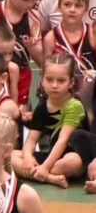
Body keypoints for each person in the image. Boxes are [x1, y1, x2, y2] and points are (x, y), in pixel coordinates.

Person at [11, 53, 93, 188]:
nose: (54, 85)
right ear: (42, 80)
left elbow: (63, 140)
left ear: (71, 82)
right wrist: (27, 157)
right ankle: (50, 178)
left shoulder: (74, 105)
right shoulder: (42, 106)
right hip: (52, 156)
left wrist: (45, 167)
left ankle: (42, 174)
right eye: (49, 80)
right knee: (10, 156)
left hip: (74, 156)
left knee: (72, 162)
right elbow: (31, 139)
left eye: (61, 81)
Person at [42, 0, 96, 111]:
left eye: (78, 5)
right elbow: (46, 69)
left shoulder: (92, 33)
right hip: (62, 92)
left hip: (90, 92)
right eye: (67, 4)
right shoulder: (51, 37)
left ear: (86, 9)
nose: (72, 10)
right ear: (59, 7)